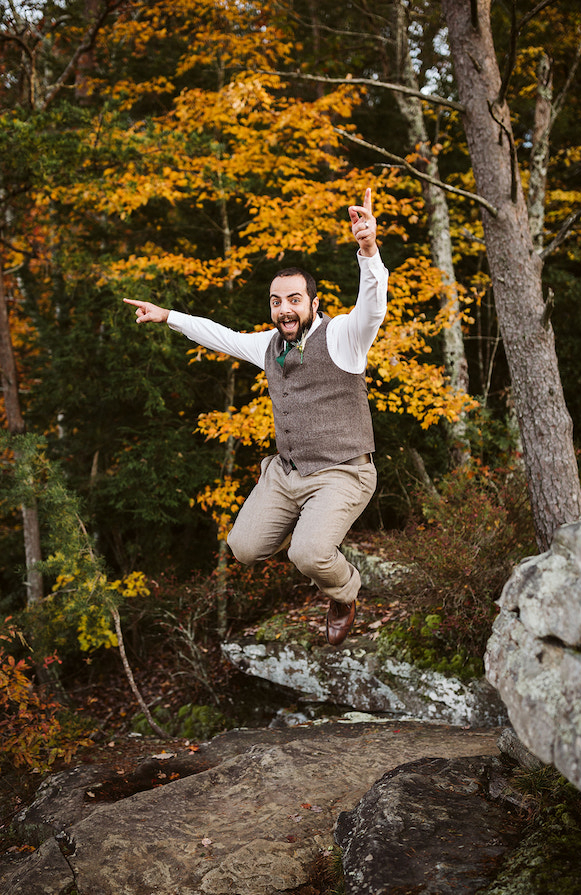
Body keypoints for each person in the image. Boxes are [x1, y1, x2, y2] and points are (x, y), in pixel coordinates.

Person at [123, 189, 387, 646]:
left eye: (294, 299)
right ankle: (307, 521)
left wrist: (367, 250)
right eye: (276, 301)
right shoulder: (268, 344)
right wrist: (167, 316)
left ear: (313, 303)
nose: (284, 308)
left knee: (307, 555)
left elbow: (373, 307)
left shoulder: (345, 336)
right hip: (286, 474)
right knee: (243, 548)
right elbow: (219, 335)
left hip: (344, 471)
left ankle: (343, 591)